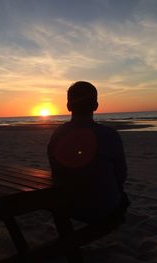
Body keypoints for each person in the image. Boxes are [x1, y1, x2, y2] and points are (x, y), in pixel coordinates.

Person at [48, 81, 129, 224]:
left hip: (67, 206)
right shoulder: (109, 135)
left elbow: (55, 170)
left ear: (68, 106)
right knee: (124, 200)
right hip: (102, 209)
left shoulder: (57, 135)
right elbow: (121, 175)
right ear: (96, 106)